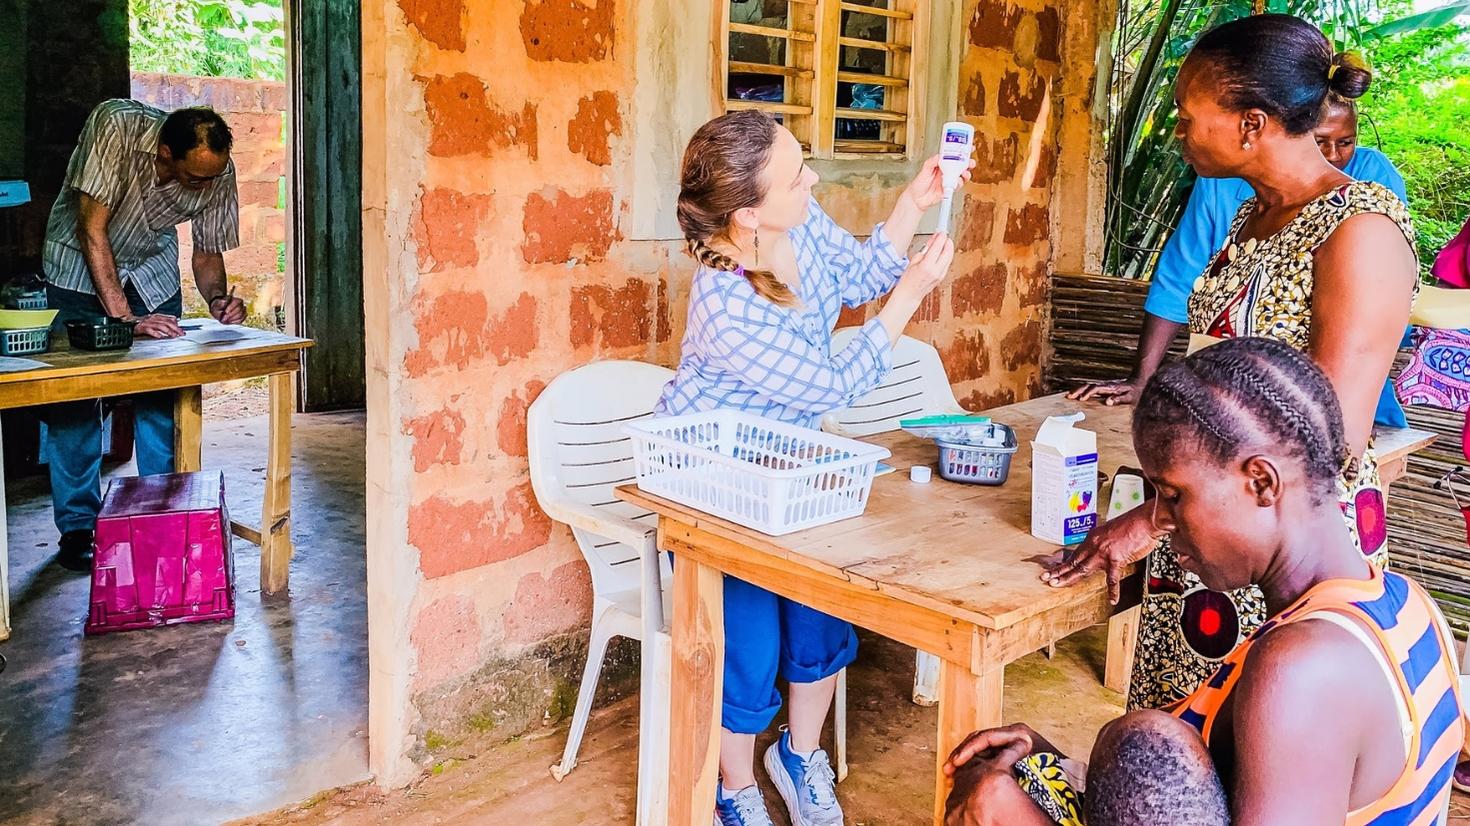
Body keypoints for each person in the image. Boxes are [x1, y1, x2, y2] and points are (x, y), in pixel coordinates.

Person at [1045, 14, 1419, 712]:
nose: (1179, 133)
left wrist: (1156, 514)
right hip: (1207, 536)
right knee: (1177, 753)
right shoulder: (1252, 218)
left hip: (1286, 560)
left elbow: (1329, 442)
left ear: (1251, 124)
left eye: (1189, 117)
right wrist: (1173, 512)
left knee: (1258, 751)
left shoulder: (1359, 232)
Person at [945, 338, 1464, 826]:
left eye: (1173, 495)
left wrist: (1010, 813)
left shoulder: (1301, 672)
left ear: (1261, 482)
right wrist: (1051, 764)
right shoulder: (1403, 603)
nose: (1163, 523)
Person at [659, 109, 966, 826]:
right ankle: (733, 787)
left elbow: (859, 271)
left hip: (791, 469)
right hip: (717, 483)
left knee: (822, 616)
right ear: (746, 217)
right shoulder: (727, 302)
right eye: (799, 176)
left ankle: (798, 757)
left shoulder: (795, 224)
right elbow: (830, 385)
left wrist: (910, 205)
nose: (813, 179)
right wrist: (911, 299)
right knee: (750, 645)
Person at [1077, 96, 1410, 426]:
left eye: (1345, 142)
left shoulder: (1366, 206)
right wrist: (1143, 377)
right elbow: (1179, 277)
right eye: (1320, 141)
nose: (1333, 155)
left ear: (1257, 125)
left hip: (1325, 428)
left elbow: (1352, 361)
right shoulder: (1235, 201)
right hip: (1235, 417)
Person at [40, 99, 248, 572]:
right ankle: (78, 528)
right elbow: (92, 230)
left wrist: (217, 300)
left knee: (163, 394)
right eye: (196, 179)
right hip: (78, 265)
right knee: (75, 401)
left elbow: (208, 251)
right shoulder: (115, 124)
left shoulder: (218, 169)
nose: (205, 185)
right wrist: (127, 321)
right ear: (164, 152)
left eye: (212, 177)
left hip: (150, 271)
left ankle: (161, 512)